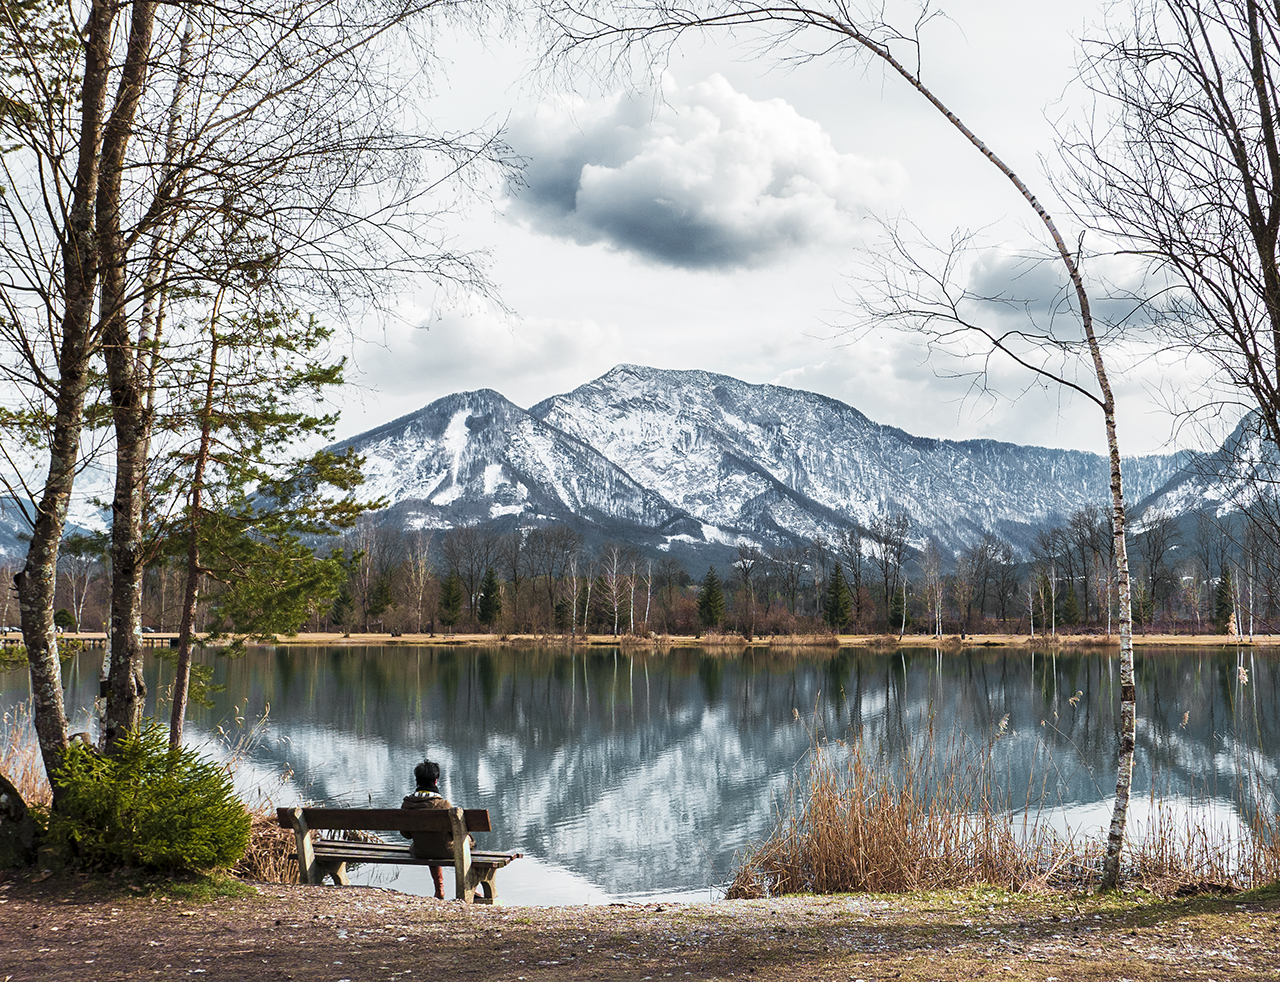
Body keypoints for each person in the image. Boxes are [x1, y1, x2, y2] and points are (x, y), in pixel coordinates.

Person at [400, 758, 470, 900]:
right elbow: (456, 834)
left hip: (420, 851)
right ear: (436, 781)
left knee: (429, 842)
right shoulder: (443, 805)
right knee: (466, 842)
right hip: (447, 851)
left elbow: (406, 834)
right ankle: (470, 887)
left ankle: (439, 888)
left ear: (417, 780)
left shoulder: (407, 804)